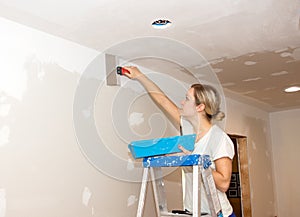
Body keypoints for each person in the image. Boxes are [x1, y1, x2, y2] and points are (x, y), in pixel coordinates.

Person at [122, 66, 236, 217]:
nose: (182, 102)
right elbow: (163, 101)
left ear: (200, 107)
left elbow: (223, 184)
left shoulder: (219, 139)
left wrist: (193, 160)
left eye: (187, 99)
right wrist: (140, 76)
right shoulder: (188, 128)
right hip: (194, 211)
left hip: (219, 213)